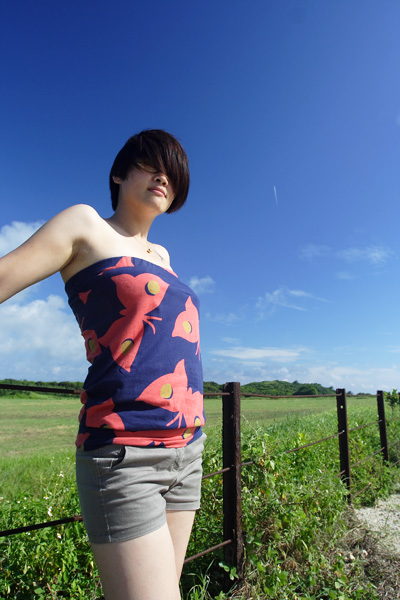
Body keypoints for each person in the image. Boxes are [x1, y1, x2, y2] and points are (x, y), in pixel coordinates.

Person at [0, 129, 206, 600]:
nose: (163, 177)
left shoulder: (164, 257)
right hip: (125, 452)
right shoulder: (87, 225)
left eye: (173, 173)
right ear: (118, 174)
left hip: (187, 450)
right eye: (151, 165)